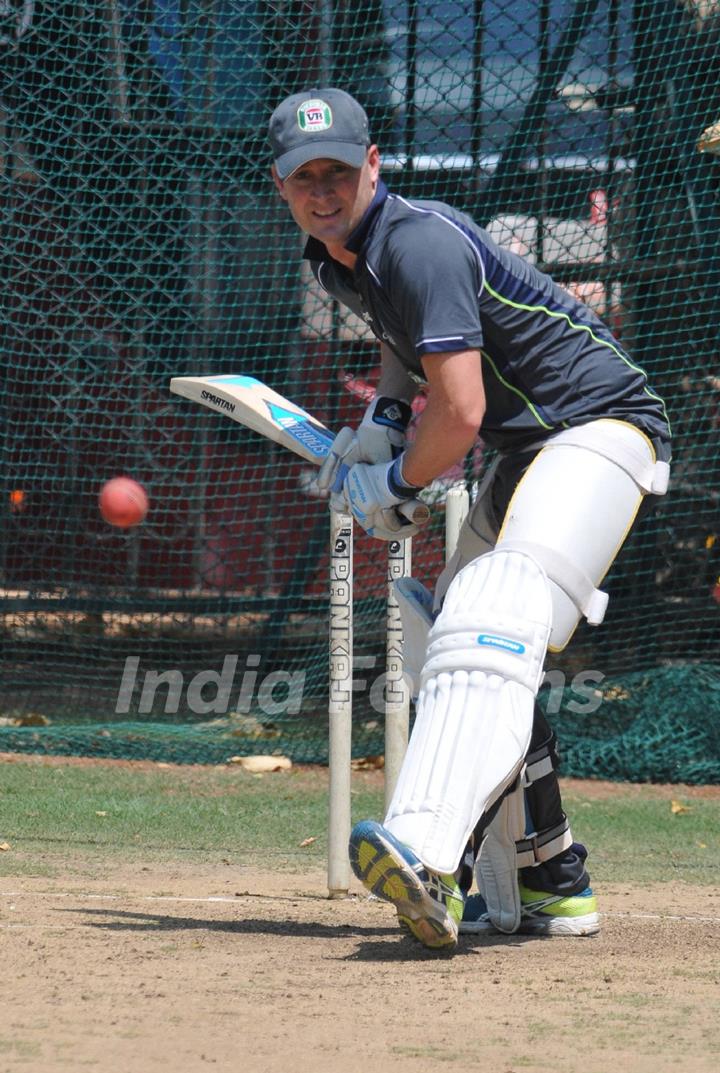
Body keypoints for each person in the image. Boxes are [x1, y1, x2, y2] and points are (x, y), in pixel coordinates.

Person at [268, 88, 671, 952]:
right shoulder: (334, 256)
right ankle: (548, 881)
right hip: (530, 450)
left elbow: (458, 411)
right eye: (307, 177)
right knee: (453, 640)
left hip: (600, 425)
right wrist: (383, 412)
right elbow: (403, 339)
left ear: (374, 164)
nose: (325, 189)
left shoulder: (416, 241)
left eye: (340, 169)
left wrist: (393, 485)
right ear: (283, 187)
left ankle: (425, 855)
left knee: (492, 616)